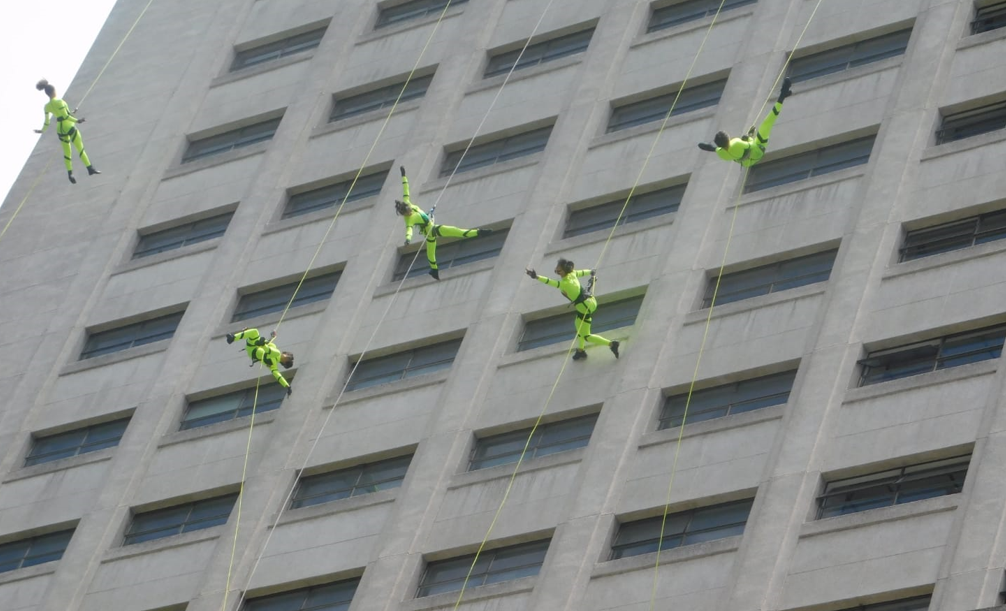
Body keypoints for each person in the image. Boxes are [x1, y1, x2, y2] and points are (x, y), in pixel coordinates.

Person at [396, 166, 492, 280]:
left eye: (409, 210)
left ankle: (479, 232)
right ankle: (434, 270)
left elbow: (406, 189)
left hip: (430, 227)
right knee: (436, 249)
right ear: (405, 214)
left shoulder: (407, 202)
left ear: (408, 207)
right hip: (431, 231)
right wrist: (408, 239)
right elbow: (409, 230)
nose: (410, 213)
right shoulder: (409, 220)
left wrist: (403, 176)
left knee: (451, 236)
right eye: (407, 213)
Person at [525, 258, 620, 361]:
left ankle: (611, 344)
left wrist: (536, 277)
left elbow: (549, 282)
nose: (557, 272)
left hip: (585, 307)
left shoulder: (564, 283)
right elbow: (581, 272)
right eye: (556, 270)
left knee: (586, 336)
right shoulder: (572, 274)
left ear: (565, 270)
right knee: (578, 324)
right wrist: (591, 271)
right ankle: (580, 350)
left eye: (559, 270)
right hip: (589, 302)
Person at [698, 77, 792, 167]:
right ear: (728, 138)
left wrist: (708, 147)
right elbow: (751, 145)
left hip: (748, 162)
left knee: (766, 126)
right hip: (757, 151)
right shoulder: (735, 143)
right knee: (766, 124)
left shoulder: (722, 153)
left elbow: (715, 149)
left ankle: (783, 96)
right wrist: (748, 137)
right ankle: (782, 96)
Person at [34, 79, 100, 184]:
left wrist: (42, 130)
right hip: (69, 126)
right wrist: (77, 121)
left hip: (60, 129)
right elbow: (66, 116)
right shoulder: (60, 101)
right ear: (54, 91)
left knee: (67, 153)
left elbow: (47, 122)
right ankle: (90, 168)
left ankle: (70, 173)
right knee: (80, 149)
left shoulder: (47, 106)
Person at [226, 328, 294, 394]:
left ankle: (262, 345)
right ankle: (233, 338)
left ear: (284, 363)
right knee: (255, 332)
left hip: (254, 352)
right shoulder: (274, 346)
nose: (286, 356)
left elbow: (278, 376)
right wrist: (272, 336)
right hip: (253, 345)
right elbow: (268, 342)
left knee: (275, 352)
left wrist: (287, 385)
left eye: (288, 359)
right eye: (288, 356)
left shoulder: (273, 365)